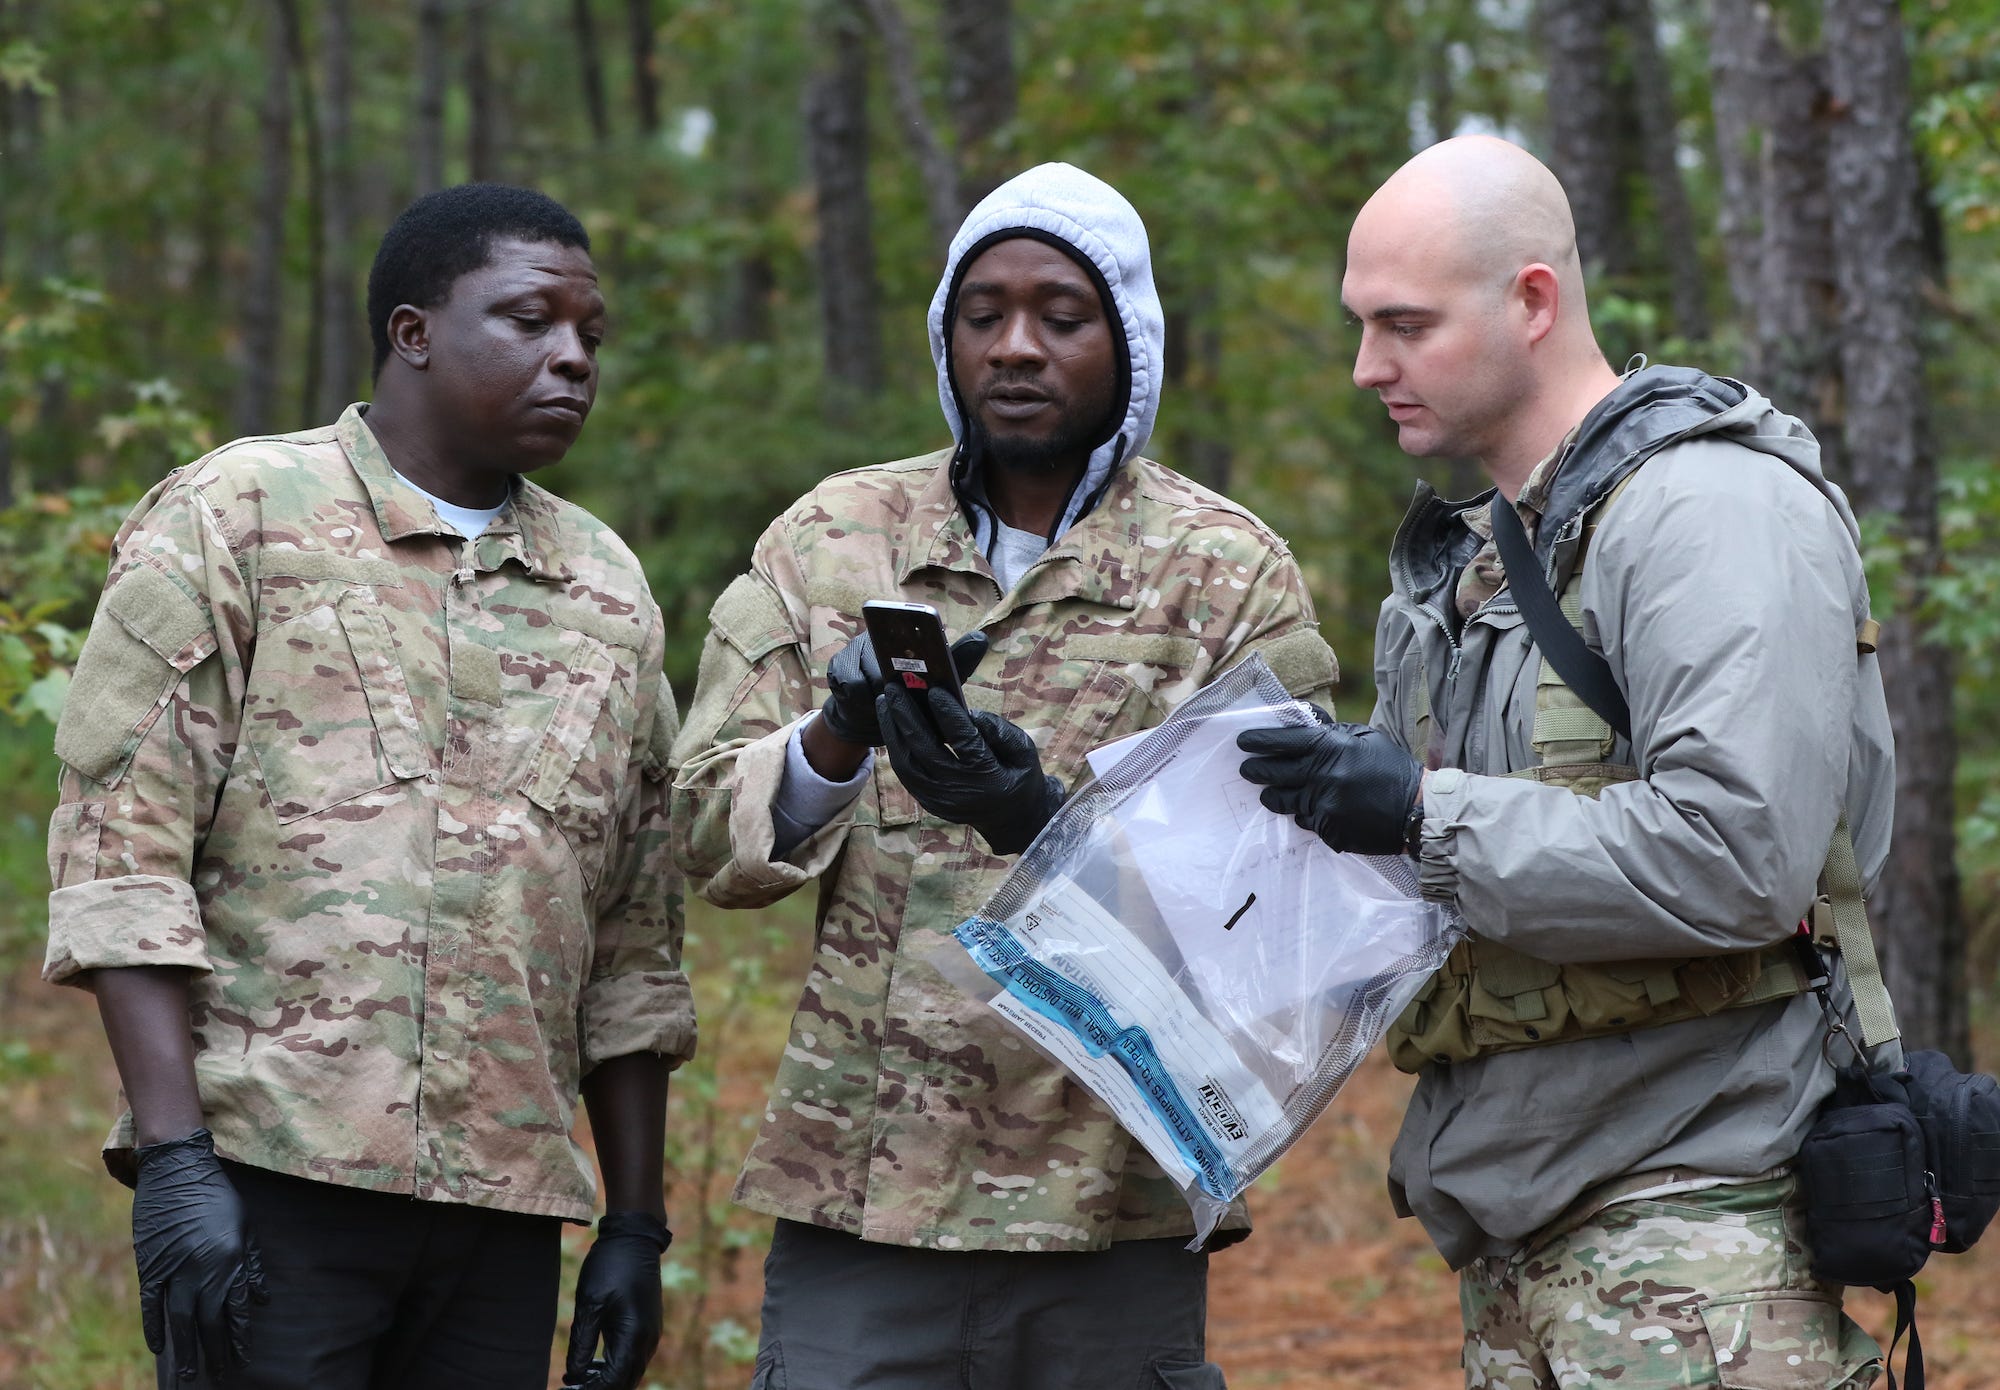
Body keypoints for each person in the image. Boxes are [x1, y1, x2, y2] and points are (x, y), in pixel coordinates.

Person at [1234, 135, 1897, 1389]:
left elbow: (1741, 857)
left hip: (1699, 1239)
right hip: (1532, 1235)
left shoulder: (1707, 511)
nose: (1365, 366)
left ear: (1530, 301)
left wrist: (1422, 814)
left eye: (1403, 325)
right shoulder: (1485, 555)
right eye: (1361, 324)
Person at [671, 162, 1338, 1389]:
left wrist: (1041, 823)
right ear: (946, 337)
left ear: (1127, 340)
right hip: (859, 1200)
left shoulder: (1225, 573)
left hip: (1110, 1207)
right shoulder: (832, 537)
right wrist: (834, 737)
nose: (1015, 347)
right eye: (981, 315)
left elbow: (1282, 919)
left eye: (1060, 316)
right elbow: (701, 835)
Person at [43, 184, 692, 1390]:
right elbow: (118, 853)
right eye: (530, 320)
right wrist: (179, 1162)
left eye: (589, 335)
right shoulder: (240, 516)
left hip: (503, 1212)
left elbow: (632, 936)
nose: (571, 359)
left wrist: (634, 1223)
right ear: (414, 332)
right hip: (273, 1185)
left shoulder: (604, 588)